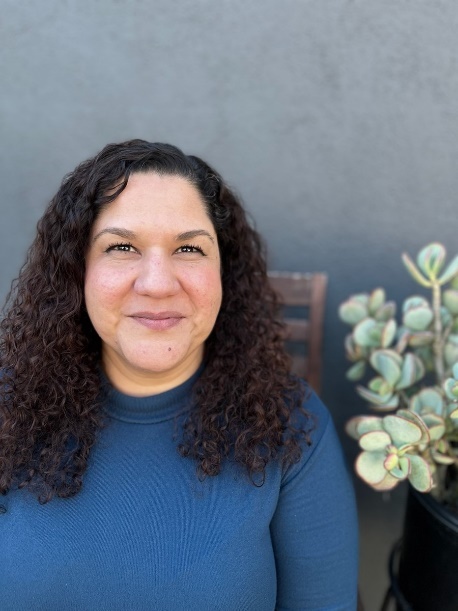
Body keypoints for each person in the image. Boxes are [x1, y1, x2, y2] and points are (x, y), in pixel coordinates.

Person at [0, 140, 358, 610]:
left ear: (223, 273)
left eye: (188, 248)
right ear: (77, 270)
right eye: (122, 247)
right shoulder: (10, 408)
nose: (157, 283)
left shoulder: (292, 426)